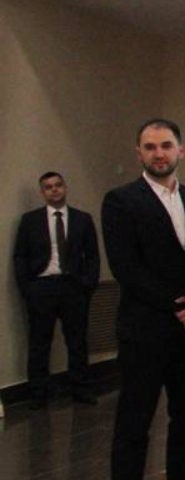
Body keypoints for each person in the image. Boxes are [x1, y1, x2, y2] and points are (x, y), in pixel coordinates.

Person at [101, 118, 185, 480]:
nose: (159, 153)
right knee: (134, 427)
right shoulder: (121, 201)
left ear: (181, 150)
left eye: (166, 145)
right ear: (139, 154)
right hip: (145, 333)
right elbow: (126, 268)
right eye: (150, 147)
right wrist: (180, 306)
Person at [13, 171, 100, 407]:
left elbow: (92, 255)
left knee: (77, 341)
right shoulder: (30, 220)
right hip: (42, 286)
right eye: (49, 187)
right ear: (42, 192)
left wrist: (88, 283)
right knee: (39, 342)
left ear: (65, 187)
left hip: (73, 286)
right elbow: (20, 255)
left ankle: (80, 388)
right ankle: (38, 392)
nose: (54, 190)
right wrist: (27, 288)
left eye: (58, 185)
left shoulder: (82, 219)